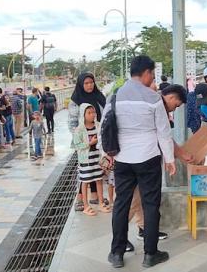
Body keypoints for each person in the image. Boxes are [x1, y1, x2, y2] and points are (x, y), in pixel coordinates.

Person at [106, 55, 176, 269]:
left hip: (122, 159)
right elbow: (163, 132)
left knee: (121, 203)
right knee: (150, 204)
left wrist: (108, 153)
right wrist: (170, 159)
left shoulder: (115, 96)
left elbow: (105, 126)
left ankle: (117, 253)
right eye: (152, 74)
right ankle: (150, 254)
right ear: (146, 73)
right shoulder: (153, 97)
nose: (152, 78)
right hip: (148, 157)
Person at [127, 84, 192, 252]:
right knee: (133, 200)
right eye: (176, 105)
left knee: (141, 197)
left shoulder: (154, 103)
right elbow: (165, 137)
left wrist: (180, 154)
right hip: (138, 160)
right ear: (171, 97)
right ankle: (120, 238)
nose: (175, 109)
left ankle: (144, 229)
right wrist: (180, 156)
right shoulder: (156, 106)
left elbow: (165, 137)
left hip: (145, 159)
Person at [71, 73, 106, 210]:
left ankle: (95, 196)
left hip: (97, 137)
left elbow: (105, 115)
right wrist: (79, 137)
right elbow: (72, 122)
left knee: (96, 168)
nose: (89, 85)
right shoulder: (76, 100)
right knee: (84, 171)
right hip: (84, 140)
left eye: (91, 82)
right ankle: (80, 199)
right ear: (81, 84)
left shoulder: (99, 96)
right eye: (86, 83)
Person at [74, 103, 110, 216]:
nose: (92, 115)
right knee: (85, 182)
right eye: (89, 113)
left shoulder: (98, 126)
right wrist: (90, 143)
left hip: (97, 159)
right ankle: (86, 205)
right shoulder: (79, 129)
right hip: (86, 161)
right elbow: (77, 145)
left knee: (99, 179)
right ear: (83, 115)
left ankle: (100, 203)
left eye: (93, 112)